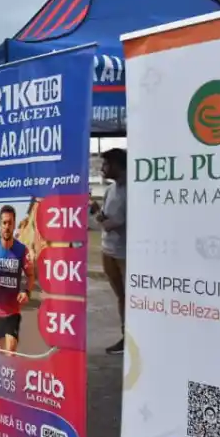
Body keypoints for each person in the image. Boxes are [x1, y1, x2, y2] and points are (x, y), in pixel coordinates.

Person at [0, 205, 34, 354]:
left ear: (14, 224)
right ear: (0, 224)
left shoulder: (21, 250)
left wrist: (26, 292)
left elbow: (30, 275)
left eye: (10, 223)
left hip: (13, 311)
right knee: (2, 353)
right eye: (4, 223)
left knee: (10, 351)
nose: (7, 226)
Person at [94, 147, 128, 355]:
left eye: (106, 164)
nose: (103, 168)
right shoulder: (110, 190)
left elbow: (112, 223)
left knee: (130, 298)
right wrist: (98, 213)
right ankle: (126, 335)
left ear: (117, 165)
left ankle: (131, 337)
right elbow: (104, 218)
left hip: (125, 254)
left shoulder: (132, 190)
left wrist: (100, 218)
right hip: (108, 251)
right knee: (121, 296)